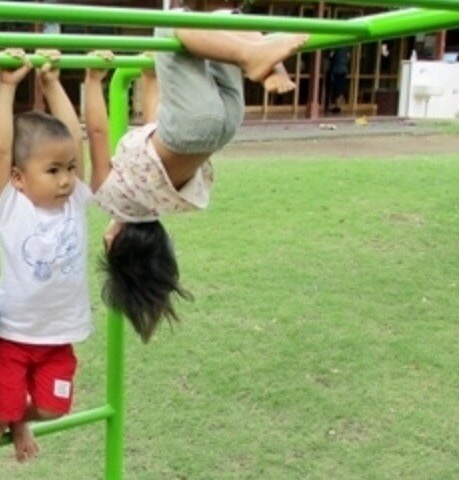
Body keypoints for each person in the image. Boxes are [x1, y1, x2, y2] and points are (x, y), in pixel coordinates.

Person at [95, 2, 307, 342]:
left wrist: (151, 76)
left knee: (224, 20)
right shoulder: (112, 194)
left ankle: (272, 66)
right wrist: (95, 83)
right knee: (169, 23)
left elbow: (153, 122)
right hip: (186, 128)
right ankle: (256, 57)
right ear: (111, 242)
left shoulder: (160, 201)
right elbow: (98, 132)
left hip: (223, 127)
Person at [0, 50, 110, 463]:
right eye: (53, 171)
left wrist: (52, 83)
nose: (66, 179)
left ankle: (17, 419)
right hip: (11, 333)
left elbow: (75, 139)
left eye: (70, 169)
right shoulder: (11, 205)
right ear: (18, 177)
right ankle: (3, 420)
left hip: (58, 337)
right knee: (4, 405)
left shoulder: (75, 200)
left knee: (53, 408)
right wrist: (7, 86)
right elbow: (1, 149)